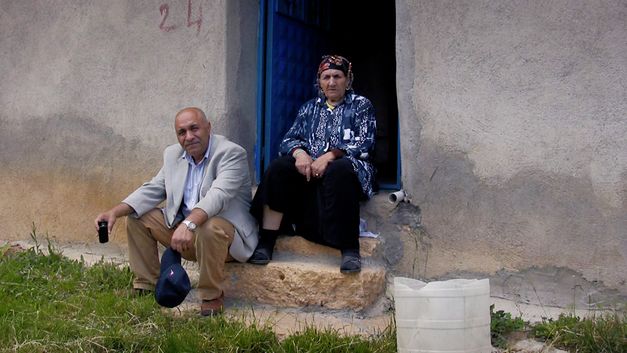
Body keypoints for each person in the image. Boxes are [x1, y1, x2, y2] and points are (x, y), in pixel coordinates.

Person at [94, 107, 258, 316]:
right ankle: (145, 285)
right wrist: (114, 212)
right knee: (138, 217)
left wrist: (189, 223)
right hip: (187, 234)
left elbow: (218, 196)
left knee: (208, 227)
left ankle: (211, 296)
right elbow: (154, 189)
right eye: (182, 132)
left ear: (208, 128)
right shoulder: (174, 155)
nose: (189, 137)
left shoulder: (231, 153)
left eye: (194, 129)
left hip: (226, 240)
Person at [249, 55, 376, 273]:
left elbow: (366, 143)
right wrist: (300, 154)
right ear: (319, 81)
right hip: (312, 169)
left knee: (340, 170)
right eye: (326, 77)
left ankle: (349, 249)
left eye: (338, 76)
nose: (332, 82)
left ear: (348, 80)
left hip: (349, 166)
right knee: (279, 168)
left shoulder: (361, 105)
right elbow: (289, 139)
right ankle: (267, 240)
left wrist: (330, 156)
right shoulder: (310, 108)